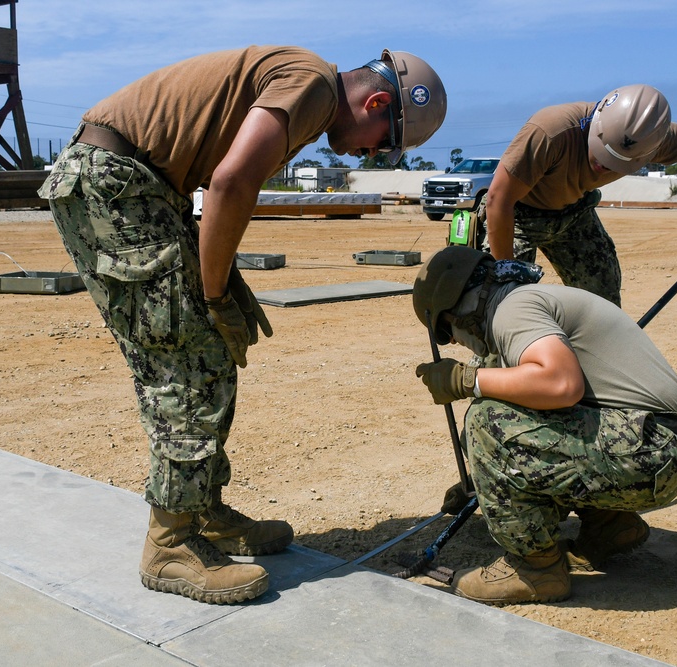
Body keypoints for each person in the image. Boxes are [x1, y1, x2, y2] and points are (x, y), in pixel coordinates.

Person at [38, 46, 446, 605]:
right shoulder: (314, 87)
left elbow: (221, 181)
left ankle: (202, 512)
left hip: (139, 188)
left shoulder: (308, 89)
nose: (370, 154)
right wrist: (212, 292)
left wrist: (221, 281)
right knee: (187, 358)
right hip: (120, 185)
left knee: (208, 351)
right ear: (376, 103)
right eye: (381, 143)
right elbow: (231, 183)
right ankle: (170, 545)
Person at [412, 246, 677, 606]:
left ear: (456, 310)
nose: (456, 343)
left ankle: (535, 571)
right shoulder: (525, 301)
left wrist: (466, 380)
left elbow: (560, 384)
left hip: (653, 450)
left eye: (447, 333)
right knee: (502, 408)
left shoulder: (513, 310)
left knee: (487, 419)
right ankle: (609, 527)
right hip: (661, 447)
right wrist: (483, 481)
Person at [479, 84, 677, 307]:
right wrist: (506, 273)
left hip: (574, 213)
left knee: (603, 302)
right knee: (501, 308)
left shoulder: (649, 137)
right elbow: (498, 199)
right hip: (518, 215)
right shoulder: (551, 131)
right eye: (603, 152)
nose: (603, 166)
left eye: (617, 162)